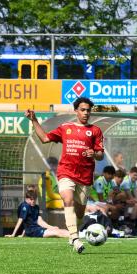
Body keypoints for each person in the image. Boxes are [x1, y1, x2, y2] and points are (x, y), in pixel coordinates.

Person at [25, 96, 104, 254]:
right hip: (66, 172)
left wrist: (94, 153)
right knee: (67, 200)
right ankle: (74, 238)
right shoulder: (65, 127)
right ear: (76, 111)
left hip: (85, 176)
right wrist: (34, 120)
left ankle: (74, 232)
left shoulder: (95, 131)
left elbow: (101, 154)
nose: (86, 113)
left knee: (80, 212)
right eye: (82, 110)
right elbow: (45, 138)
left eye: (88, 110)